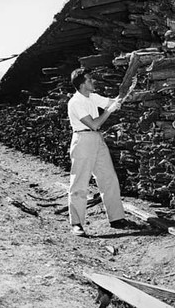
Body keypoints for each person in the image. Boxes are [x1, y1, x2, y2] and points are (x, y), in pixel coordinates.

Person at [67, 68, 129, 236]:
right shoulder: (75, 102)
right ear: (81, 85)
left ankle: (116, 218)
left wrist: (124, 93)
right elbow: (94, 124)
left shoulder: (92, 97)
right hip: (83, 140)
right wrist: (110, 111)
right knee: (79, 182)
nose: (92, 82)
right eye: (89, 80)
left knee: (108, 177)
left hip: (97, 139)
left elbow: (112, 101)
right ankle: (77, 223)